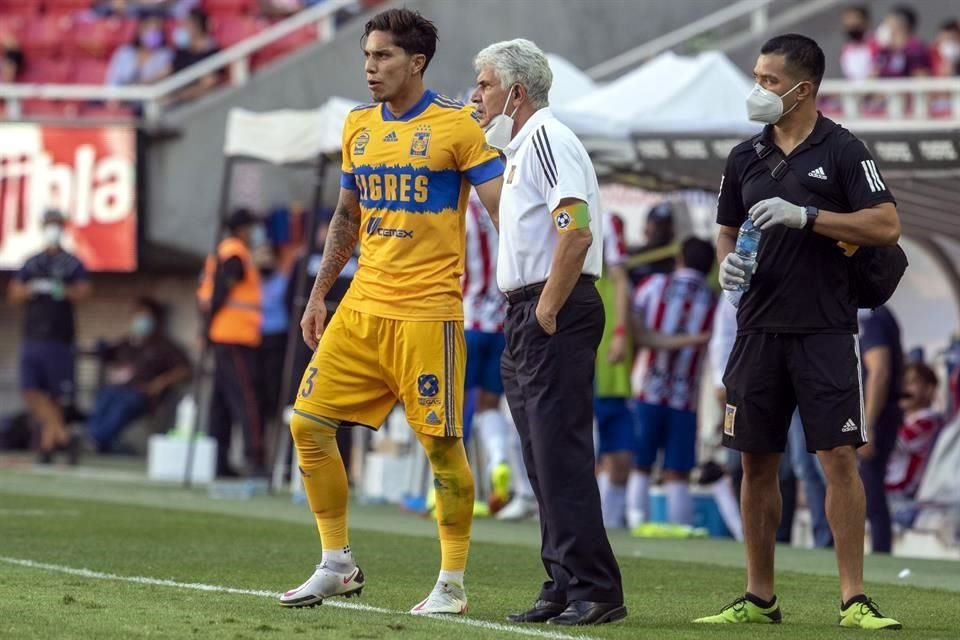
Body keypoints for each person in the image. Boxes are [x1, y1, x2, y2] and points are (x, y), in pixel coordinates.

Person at [281, 8, 503, 615]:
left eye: (382, 57)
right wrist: (321, 292)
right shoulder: (358, 125)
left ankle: (452, 584)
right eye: (367, 56)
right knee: (307, 424)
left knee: (440, 445)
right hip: (361, 306)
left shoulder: (459, 127)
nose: (370, 68)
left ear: (417, 62)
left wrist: (523, 284)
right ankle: (336, 564)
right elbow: (348, 216)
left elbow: (501, 210)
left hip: (428, 311)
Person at [698, 34, 902, 629]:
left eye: (767, 80)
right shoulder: (744, 157)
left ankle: (853, 599)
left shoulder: (843, 150)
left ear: (802, 89)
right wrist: (726, 262)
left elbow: (886, 223)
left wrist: (808, 215)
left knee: (837, 458)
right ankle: (760, 597)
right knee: (755, 461)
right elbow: (727, 230)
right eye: (756, 77)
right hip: (756, 327)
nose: (756, 89)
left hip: (825, 328)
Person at [473, 38, 625, 626]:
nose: (476, 96)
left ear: (515, 91)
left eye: (484, 84)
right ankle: (563, 579)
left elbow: (576, 229)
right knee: (540, 455)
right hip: (529, 307)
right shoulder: (522, 149)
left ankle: (595, 586)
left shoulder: (547, 139)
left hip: (549, 305)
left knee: (558, 451)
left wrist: (547, 309)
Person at [627, 237, 715, 528]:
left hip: (647, 390)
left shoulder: (653, 286)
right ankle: (680, 532)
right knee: (677, 471)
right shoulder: (714, 301)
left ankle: (634, 524)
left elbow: (632, 328)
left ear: (679, 259)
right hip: (685, 397)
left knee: (640, 463)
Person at [461, 191, 531, 516]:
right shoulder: (508, 207)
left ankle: (450, 488)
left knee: (456, 403)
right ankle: (499, 459)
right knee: (490, 403)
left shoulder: (461, 212)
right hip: (501, 324)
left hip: (468, 319)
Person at [7, 210, 92, 464]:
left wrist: (61, 290)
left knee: (56, 396)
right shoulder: (32, 263)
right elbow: (14, 294)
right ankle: (64, 438)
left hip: (59, 338)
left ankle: (47, 446)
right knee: (31, 392)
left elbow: (84, 293)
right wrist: (31, 289)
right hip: (33, 336)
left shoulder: (71, 263)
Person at [197, 208, 265, 478]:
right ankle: (255, 460)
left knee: (222, 402)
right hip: (235, 337)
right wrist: (207, 329)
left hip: (223, 336)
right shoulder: (235, 255)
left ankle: (219, 462)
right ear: (242, 229)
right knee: (246, 399)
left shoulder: (224, 252)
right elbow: (220, 294)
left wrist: (206, 329)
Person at [86, 297, 191, 452]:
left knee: (122, 406)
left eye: (144, 315)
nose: (139, 319)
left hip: (142, 393)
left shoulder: (164, 345)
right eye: (137, 314)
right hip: (117, 389)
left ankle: (95, 438)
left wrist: (160, 383)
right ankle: (91, 436)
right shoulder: (128, 342)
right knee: (104, 397)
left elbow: (185, 369)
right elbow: (108, 354)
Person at [594, 212, 635, 529]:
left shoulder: (620, 287)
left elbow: (621, 278)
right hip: (588, 370)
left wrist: (621, 333)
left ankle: (610, 522)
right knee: (585, 453)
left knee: (621, 457)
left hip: (613, 374)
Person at [857, 305, 903, 554]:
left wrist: (868, 425)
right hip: (878, 413)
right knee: (869, 488)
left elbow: (879, 372)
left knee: (872, 489)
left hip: (878, 414)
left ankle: (881, 553)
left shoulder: (872, 317)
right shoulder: (874, 315)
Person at [886, 362, 943, 500]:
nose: (903, 388)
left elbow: (893, 441)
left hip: (902, 494)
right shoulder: (905, 420)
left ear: (929, 389)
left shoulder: (928, 421)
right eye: (902, 383)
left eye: (911, 383)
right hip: (888, 491)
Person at [255, 245, 289, 438]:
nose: (264, 261)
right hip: (254, 339)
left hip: (276, 338)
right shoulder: (253, 283)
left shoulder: (282, 282)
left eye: (268, 256)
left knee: (273, 390)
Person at [105, 14, 173, 86]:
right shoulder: (124, 52)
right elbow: (112, 81)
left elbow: (162, 82)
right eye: (148, 29)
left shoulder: (166, 55)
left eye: (157, 30)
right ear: (140, 30)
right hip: (122, 95)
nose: (153, 33)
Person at [168, 9, 220, 103]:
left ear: (197, 27)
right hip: (175, 97)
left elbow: (208, 83)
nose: (183, 29)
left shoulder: (211, 52)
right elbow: (166, 70)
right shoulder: (182, 52)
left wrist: (178, 97)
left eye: (186, 25)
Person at [872, 5, 931, 78]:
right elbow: (873, 75)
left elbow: (921, 77)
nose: (884, 26)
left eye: (888, 23)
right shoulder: (884, 50)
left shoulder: (915, 49)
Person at [627, 201, 677, 286]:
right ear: (646, 227)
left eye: (665, 225)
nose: (661, 231)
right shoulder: (633, 259)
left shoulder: (679, 261)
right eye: (658, 225)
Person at [839, 5, 874, 81]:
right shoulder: (846, 49)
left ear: (866, 22)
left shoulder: (876, 45)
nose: (851, 25)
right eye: (848, 22)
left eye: (855, 22)